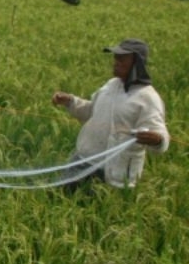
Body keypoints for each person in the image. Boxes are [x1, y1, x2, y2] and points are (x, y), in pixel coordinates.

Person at [52, 38, 169, 190]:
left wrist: (157, 140)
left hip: (113, 172)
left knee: (96, 210)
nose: (115, 62)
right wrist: (70, 101)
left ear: (137, 63)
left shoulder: (147, 98)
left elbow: (160, 135)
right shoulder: (111, 85)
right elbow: (91, 111)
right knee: (60, 197)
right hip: (84, 159)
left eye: (121, 58)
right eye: (115, 58)